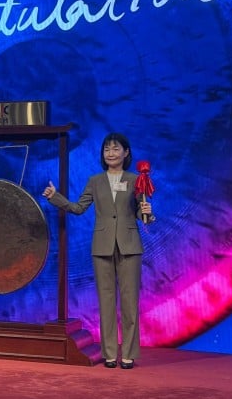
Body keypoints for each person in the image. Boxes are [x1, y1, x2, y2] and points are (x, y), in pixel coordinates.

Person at [42, 132, 153, 369]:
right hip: (102, 246)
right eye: (106, 150)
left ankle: (129, 354)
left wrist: (148, 212)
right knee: (106, 301)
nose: (110, 153)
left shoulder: (137, 180)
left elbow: (143, 216)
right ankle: (110, 353)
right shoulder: (95, 181)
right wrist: (56, 198)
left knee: (129, 301)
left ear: (126, 153)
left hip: (129, 245)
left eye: (115, 149)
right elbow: (78, 207)